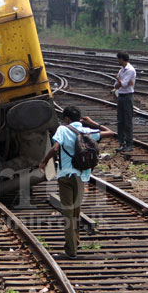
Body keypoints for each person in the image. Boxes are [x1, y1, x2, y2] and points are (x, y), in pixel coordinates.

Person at [39, 106, 112, 259]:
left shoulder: (63, 129)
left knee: (68, 214)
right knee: (76, 212)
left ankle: (71, 250)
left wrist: (44, 161)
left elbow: (56, 147)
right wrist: (93, 123)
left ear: (66, 119)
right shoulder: (86, 130)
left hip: (65, 176)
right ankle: (75, 242)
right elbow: (111, 133)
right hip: (81, 177)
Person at [113, 52, 135, 152]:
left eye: (118, 59)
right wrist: (121, 82)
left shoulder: (130, 70)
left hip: (127, 97)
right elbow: (116, 85)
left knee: (128, 121)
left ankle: (129, 144)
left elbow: (124, 84)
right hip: (121, 96)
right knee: (120, 121)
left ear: (122, 59)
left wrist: (119, 79)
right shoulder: (121, 70)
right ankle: (122, 143)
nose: (118, 61)